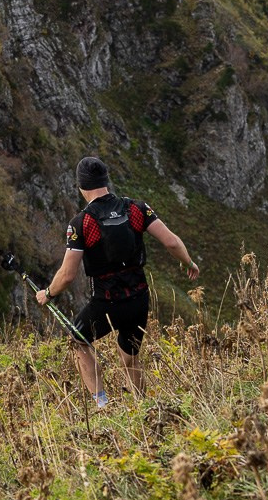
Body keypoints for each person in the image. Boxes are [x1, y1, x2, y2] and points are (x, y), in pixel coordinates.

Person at [36, 156, 199, 407]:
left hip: (107, 302)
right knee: (130, 358)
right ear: (106, 181)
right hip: (139, 297)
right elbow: (171, 242)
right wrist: (189, 262)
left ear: (81, 186)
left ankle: (102, 404)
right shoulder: (136, 208)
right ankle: (146, 408)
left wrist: (47, 293)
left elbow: (67, 275)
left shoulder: (81, 223)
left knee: (77, 341)